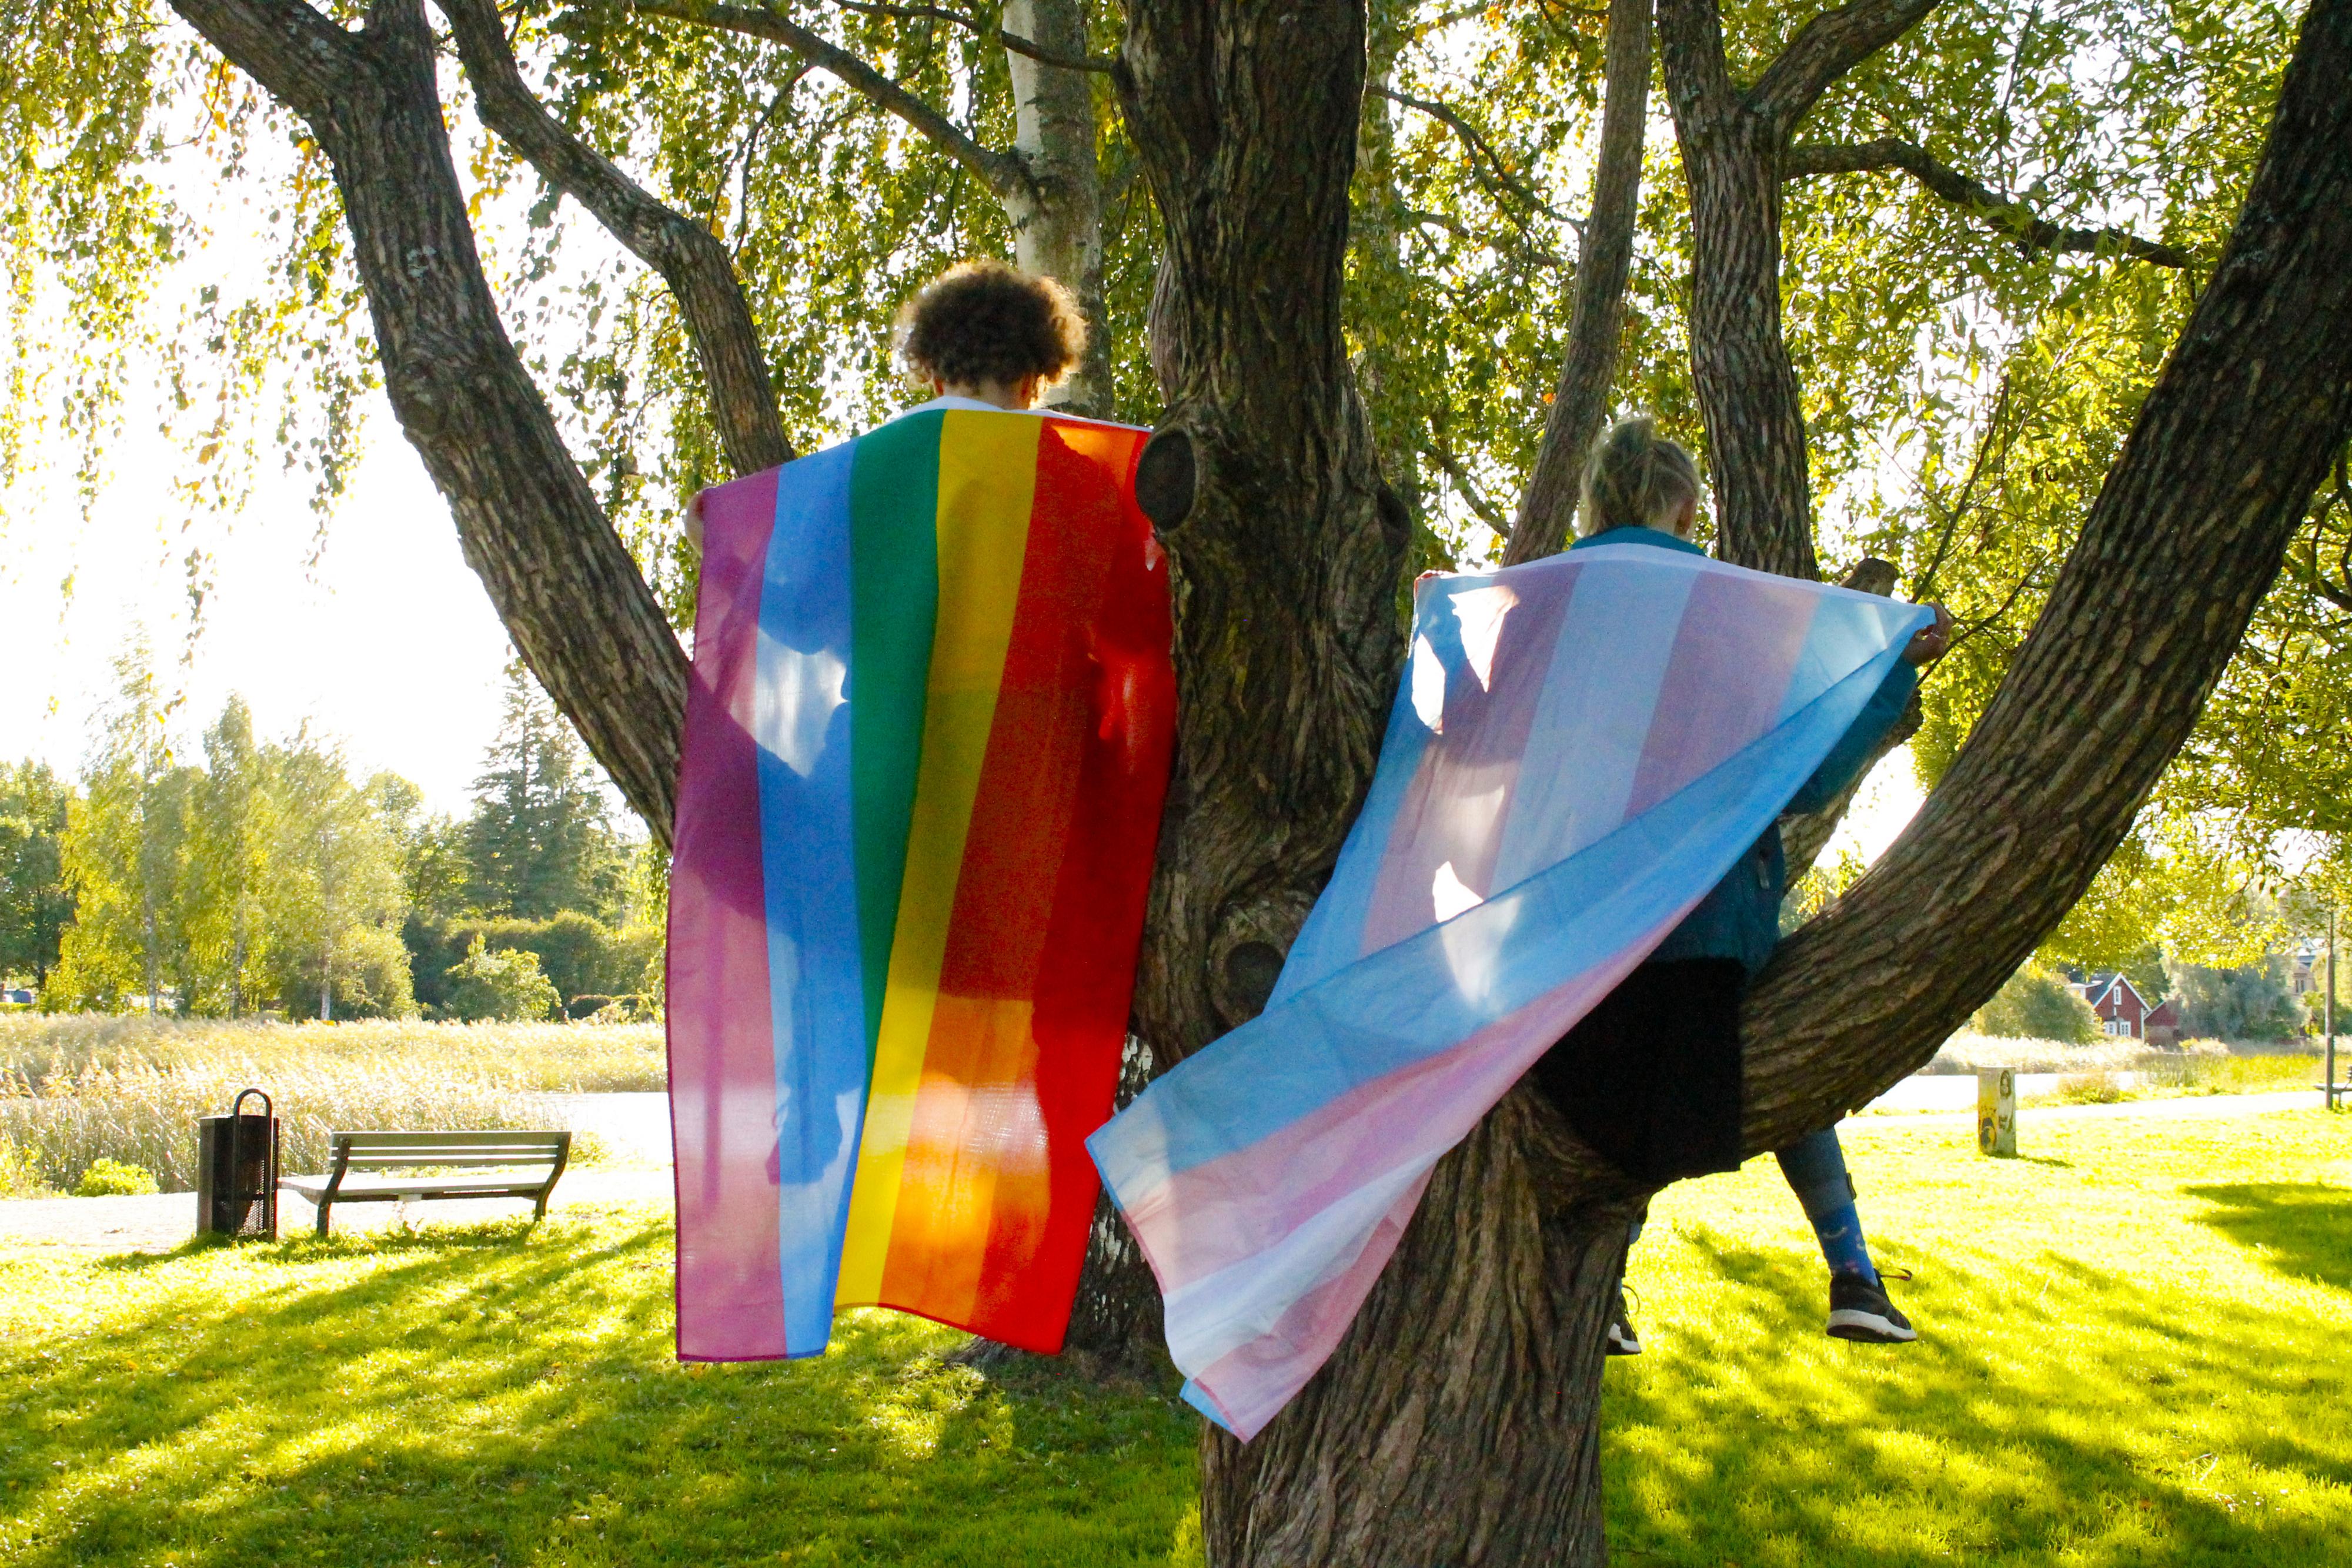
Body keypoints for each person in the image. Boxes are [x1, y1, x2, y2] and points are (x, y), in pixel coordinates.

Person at [1527, 415, 1953, 1355]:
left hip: (1574, 939)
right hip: (1705, 933)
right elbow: (1801, 774)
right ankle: (1852, 1274)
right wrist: (1886, 672)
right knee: (1749, 1079)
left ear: (1594, 502)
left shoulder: (1542, 604)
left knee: (1617, 1112)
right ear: (1682, 507)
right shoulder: (1713, 611)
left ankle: (1610, 1297)